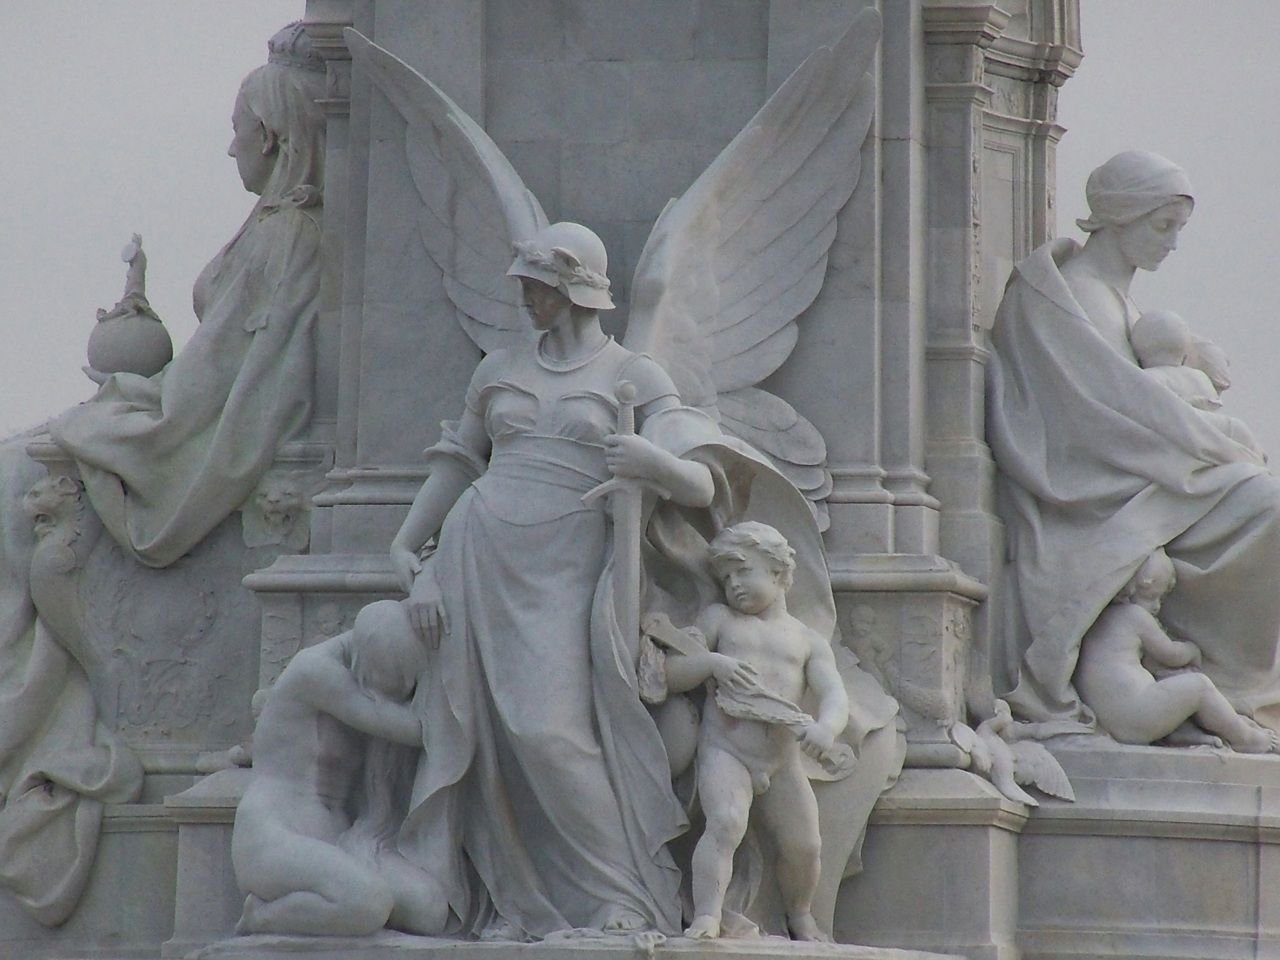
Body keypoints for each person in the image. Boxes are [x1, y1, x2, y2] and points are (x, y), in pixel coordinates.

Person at [389, 220, 841, 940]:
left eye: (540, 285)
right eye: (526, 285)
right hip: (479, 554)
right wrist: (407, 544)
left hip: (570, 567)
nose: (527, 298)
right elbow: (458, 462)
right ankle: (523, 901)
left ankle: (621, 894)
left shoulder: (633, 374)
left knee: (552, 730)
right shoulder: (498, 368)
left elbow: (703, 482)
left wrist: (650, 462)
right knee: (489, 733)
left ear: (577, 289)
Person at [987, 150, 1280, 734]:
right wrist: (1215, 440)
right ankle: (1223, 689)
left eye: (1177, 228)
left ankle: (1226, 692)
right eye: (1162, 226)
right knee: (1267, 503)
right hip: (1092, 484)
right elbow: (1091, 417)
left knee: (1261, 494)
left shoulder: (1122, 301)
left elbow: (1139, 404)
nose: (1172, 243)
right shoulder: (1067, 295)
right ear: (1120, 216)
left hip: (1144, 469)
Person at [46, 21, 326, 568]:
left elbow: (212, 381)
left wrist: (124, 388)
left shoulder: (285, 233)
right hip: (210, 401)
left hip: (228, 429)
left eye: (237, 129)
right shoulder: (282, 225)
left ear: (268, 136)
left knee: (77, 430)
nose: (231, 147)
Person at [662, 522, 848, 942]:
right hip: (725, 749)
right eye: (726, 577)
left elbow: (834, 693)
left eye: (743, 571)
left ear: (779, 571)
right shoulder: (719, 620)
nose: (734, 584)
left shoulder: (807, 640)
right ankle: (707, 915)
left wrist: (827, 728)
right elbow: (671, 674)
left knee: (805, 845)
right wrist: (712, 664)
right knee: (726, 822)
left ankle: (800, 914)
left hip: (782, 761)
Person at [232, 601, 447, 937]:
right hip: (276, 834)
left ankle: (334, 911)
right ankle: (260, 917)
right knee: (368, 903)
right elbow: (418, 730)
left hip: (343, 839)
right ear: (363, 659)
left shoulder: (379, 652)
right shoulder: (314, 672)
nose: (384, 697)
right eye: (379, 686)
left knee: (428, 911)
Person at [1075, 549, 1276, 752]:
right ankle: (1246, 738)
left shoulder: (1098, 620)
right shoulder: (1134, 615)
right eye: (1151, 597)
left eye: (1160, 599)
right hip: (1135, 717)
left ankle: (1179, 734)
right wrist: (1192, 650)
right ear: (1129, 591)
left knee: (1171, 682)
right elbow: (1171, 655)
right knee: (1199, 686)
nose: (1156, 606)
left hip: (1112, 720)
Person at [1130, 309, 1265, 460]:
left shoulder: (1148, 378)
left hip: (1187, 425)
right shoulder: (1200, 377)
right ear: (1185, 353)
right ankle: (1257, 457)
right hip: (1200, 424)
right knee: (1237, 428)